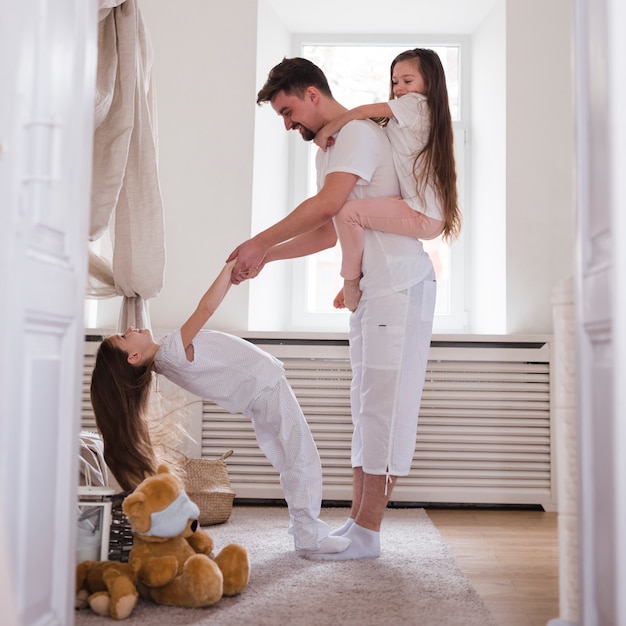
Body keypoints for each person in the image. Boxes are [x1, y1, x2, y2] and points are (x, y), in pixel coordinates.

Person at [227, 57, 437, 561]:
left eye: (288, 109)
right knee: (366, 408)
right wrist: (268, 256)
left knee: (385, 408)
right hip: (373, 289)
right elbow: (331, 227)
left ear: (313, 94)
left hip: (399, 286)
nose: (287, 123)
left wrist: (258, 241)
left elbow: (328, 208)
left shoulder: (359, 134)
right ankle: (359, 526)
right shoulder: (331, 146)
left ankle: (368, 534)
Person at [89, 260, 350, 557]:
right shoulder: (172, 353)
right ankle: (310, 537)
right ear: (134, 356)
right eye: (124, 336)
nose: (131, 327)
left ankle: (306, 529)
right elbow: (205, 309)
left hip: (260, 393)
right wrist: (228, 270)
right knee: (301, 456)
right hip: (265, 389)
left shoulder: (167, 356)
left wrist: (232, 276)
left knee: (290, 459)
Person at [313, 48, 461, 311]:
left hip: (423, 214)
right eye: (395, 82)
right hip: (424, 211)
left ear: (430, 82)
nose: (400, 88)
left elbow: (361, 111)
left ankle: (350, 281)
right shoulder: (412, 115)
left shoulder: (417, 104)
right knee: (361, 219)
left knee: (348, 213)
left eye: (408, 80)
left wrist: (328, 129)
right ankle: (358, 277)